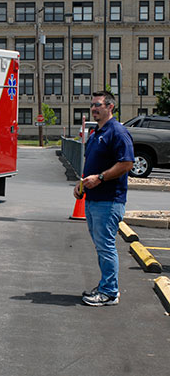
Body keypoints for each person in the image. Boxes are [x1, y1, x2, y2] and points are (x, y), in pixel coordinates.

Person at [73, 91, 134, 307]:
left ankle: (109, 292)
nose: (93, 108)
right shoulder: (96, 133)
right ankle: (106, 286)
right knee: (101, 246)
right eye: (92, 105)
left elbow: (127, 163)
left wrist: (100, 178)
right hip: (93, 200)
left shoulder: (118, 132)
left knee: (106, 247)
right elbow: (92, 164)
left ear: (110, 107)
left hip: (109, 200)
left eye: (98, 105)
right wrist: (81, 185)